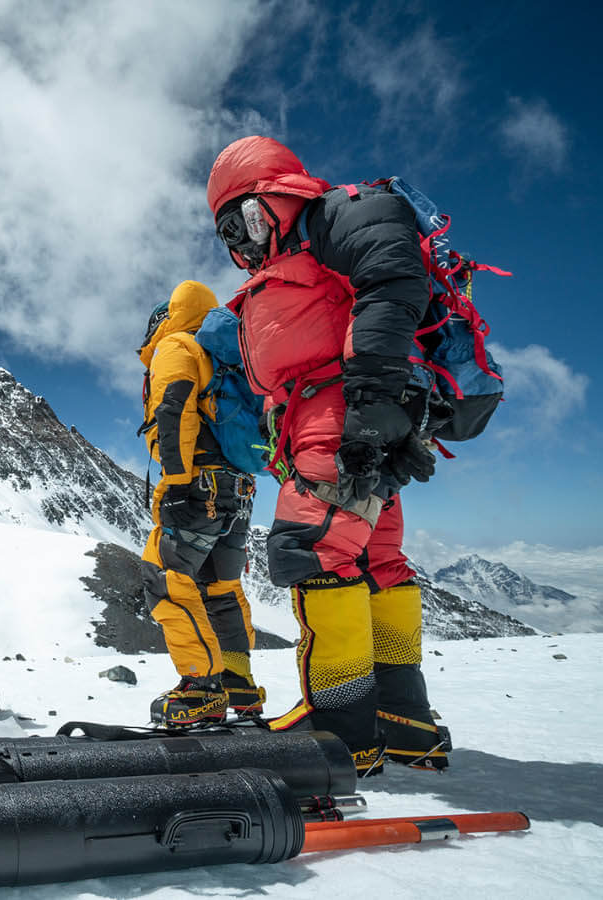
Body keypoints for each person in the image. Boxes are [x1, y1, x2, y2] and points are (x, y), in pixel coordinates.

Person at [206, 135, 447, 774]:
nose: (244, 244)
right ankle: (401, 719)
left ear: (279, 195)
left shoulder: (340, 213)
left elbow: (393, 278)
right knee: (375, 560)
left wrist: (371, 401)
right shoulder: (299, 253)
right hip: (340, 414)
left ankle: (340, 731)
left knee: (307, 550)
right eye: (230, 234)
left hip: (342, 412)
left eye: (248, 220)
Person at [137, 280, 266, 726]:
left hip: (197, 485)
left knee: (165, 576)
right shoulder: (229, 356)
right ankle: (240, 685)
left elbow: (173, 412)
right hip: (240, 490)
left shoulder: (176, 346)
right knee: (221, 590)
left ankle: (201, 686)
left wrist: (176, 482)